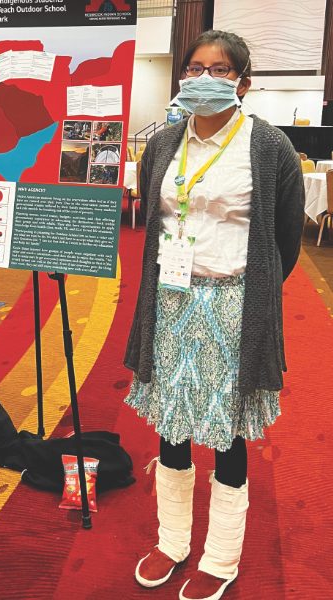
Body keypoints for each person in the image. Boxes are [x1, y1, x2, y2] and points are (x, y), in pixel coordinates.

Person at [123, 31, 304, 600]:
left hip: (235, 306)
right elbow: (153, 218)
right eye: (195, 68)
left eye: (220, 70)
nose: (204, 78)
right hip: (171, 300)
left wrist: (256, 291)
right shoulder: (163, 143)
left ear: (243, 83)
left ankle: (220, 557)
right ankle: (172, 541)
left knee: (227, 434)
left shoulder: (270, 147)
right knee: (172, 425)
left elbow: (287, 238)